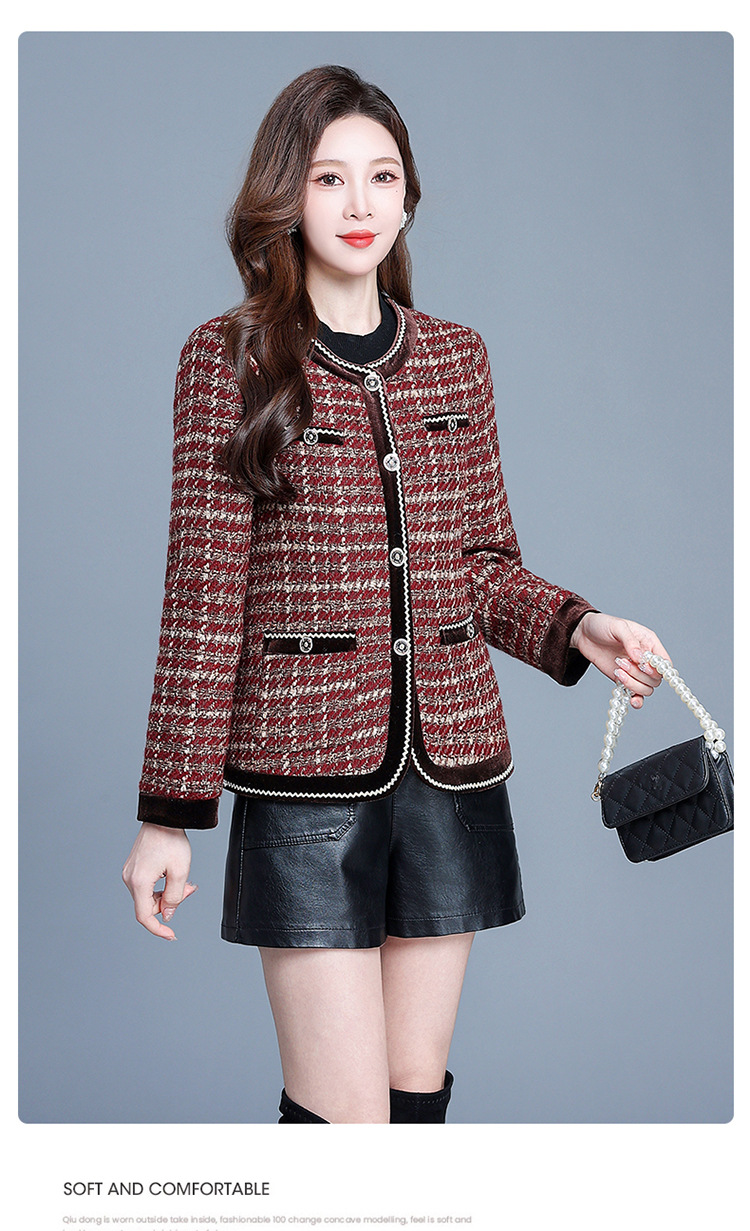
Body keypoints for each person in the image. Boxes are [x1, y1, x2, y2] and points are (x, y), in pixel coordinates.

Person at [122, 65, 670, 1125]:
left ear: (409, 193)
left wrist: (579, 627)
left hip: (450, 774)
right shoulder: (230, 358)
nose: (360, 203)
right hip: (303, 782)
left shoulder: (457, 358)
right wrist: (169, 816)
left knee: (415, 1106)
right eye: (329, 178)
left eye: (382, 176)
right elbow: (203, 596)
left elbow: (482, 564)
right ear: (287, 195)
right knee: (346, 1130)